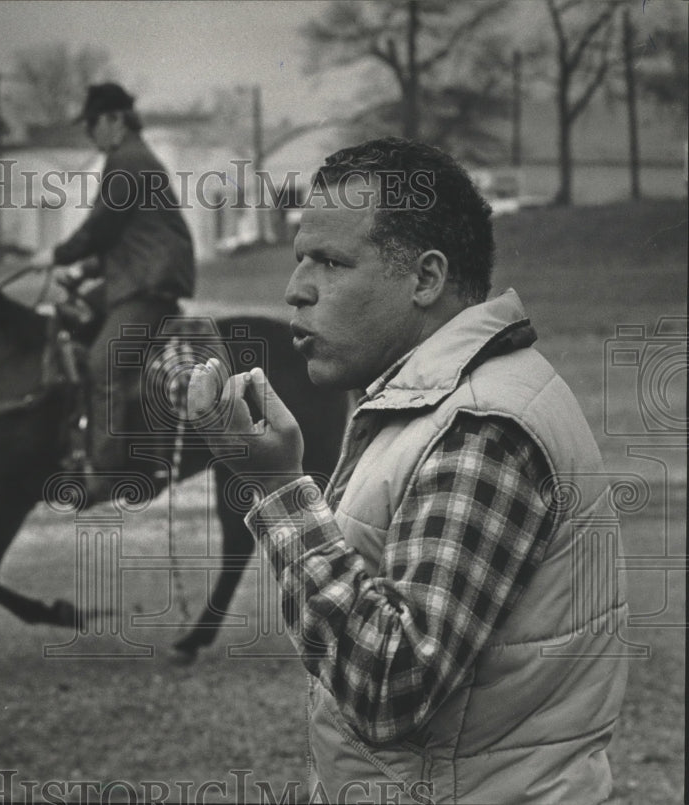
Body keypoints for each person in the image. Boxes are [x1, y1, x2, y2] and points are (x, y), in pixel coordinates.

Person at [188, 138, 628, 804]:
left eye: (331, 262)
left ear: (425, 279)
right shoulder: (435, 404)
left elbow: (392, 683)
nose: (295, 290)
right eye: (300, 258)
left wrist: (278, 486)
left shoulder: (482, 428)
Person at [30, 82, 195, 499]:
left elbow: (101, 228)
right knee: (71, 326)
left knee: (105, 362)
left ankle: (106, 471)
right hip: (134, 277)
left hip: (147, 286)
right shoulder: (129, 160)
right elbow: (123, 237)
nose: (91, 135)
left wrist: (59, 254)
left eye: (92, 125)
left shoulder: (129, 161)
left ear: (115, 120)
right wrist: (82, 269)